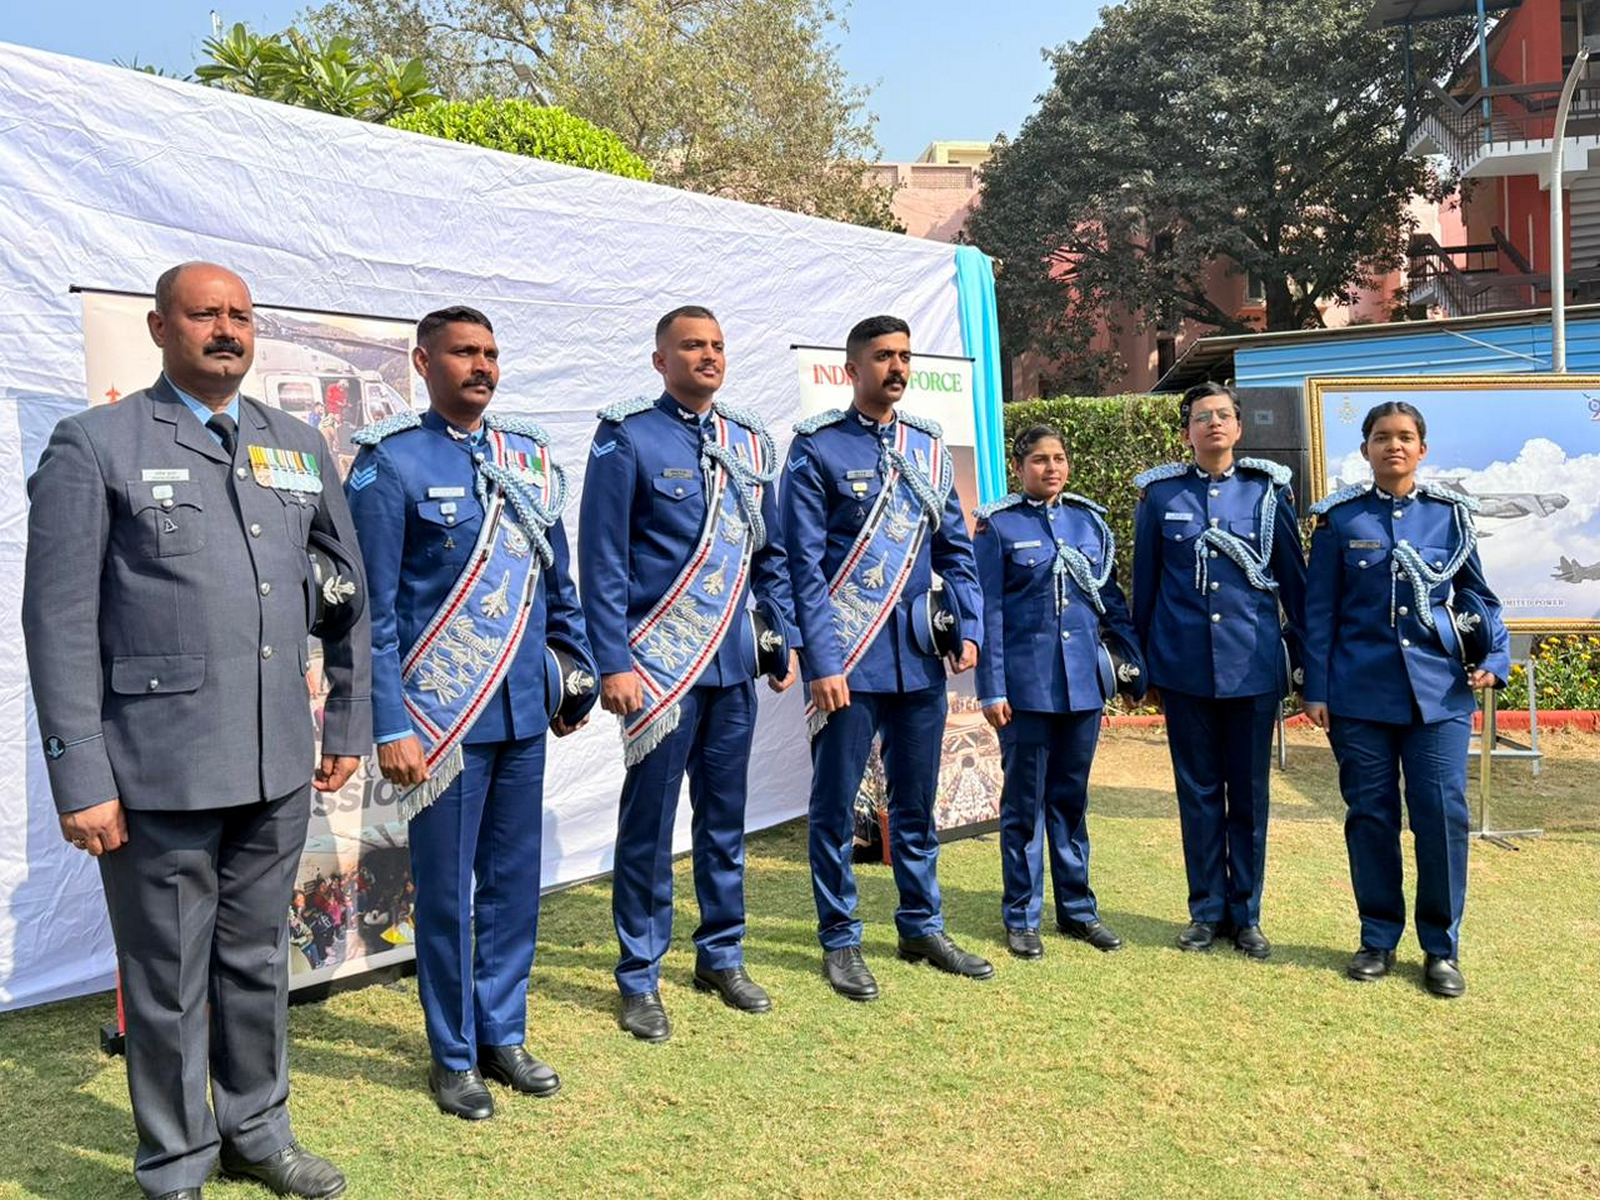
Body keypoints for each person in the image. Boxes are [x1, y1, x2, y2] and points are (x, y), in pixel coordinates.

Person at [22, 262, 369, 1200]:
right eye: (205, 314)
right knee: (168, 977)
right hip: (157, 769)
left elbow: (345, 597)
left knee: (259, 962)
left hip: (275, 762)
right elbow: (55, 623)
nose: (227, 330)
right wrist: (80, 774)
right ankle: (176, 1159)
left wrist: (348, 714)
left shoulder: (296, 445)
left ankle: (257, 1129)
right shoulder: (95, 444)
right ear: (159, 327)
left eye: (241, 316)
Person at [345, 305, 592, 1119]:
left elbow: (558, 585)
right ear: (423, 363)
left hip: (522, 715)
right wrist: (390, 723)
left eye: (490, 352)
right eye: (463, 353)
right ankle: (453, 1055)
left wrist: (574, 672)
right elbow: (373, 612)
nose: (481, 366)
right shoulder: (391, 465)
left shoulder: (526, 458)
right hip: (443, 724)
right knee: (447, 895)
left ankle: (503, 1033)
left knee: (514, 887)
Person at [579, 305, 801, 1042]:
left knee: (723, 821)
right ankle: (640, 975)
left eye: (716, 346)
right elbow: (603, 559)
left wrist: (777, 637)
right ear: (660, 360)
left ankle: (721, 953)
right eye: (691, 347)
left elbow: (767, 556)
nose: (708, 357)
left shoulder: (746, 440)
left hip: (732, 666)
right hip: (657, 669)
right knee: (648, 826)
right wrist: (611, 660)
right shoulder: (626, 437)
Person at [780, 314, 992, 1001]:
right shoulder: (817, 449)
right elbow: (802, 567)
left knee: (915, 804)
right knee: (836, 807)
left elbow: (957, 552)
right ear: (852, 369)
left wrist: (969, 628)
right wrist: (823, 660)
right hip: (849, 661)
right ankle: (840, 939)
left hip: (917, 658)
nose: (896, 368)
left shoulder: (928, 450)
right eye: (881, 357)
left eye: (903, 356)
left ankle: (920, 924)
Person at [1303, 400, 1508, 998]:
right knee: (1370, 816)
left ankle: (1440, 948)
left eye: (1405, 437)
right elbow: (1321, 613)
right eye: (1381, 437)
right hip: (1359, 695)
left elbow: (1480, 600)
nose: (1394, 446)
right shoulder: (1340, 521)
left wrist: (1493, 659)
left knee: (1442, 817)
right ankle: (1377, 938)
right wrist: (1316, 687)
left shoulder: (1450, 518)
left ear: (1423, 449)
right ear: (1365, 449)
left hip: (1439, 696)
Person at [1132, 381, 1307, 960]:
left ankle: (1247, 914)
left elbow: (1295, 586)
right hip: (1183, 670)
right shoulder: (1160, 498)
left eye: (1223, 416)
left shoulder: (1267, 493)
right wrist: (1142, 668)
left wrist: (1307, 666)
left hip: (1252, 668)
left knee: (1250, 796)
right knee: (1199, 794)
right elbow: (1147, 590)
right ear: (1187, 431)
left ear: (1239, 428)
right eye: (1201, 417)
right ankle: (1205, 911)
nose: (1212, 425)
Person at [974, 424, 1145, 960]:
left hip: (1082, 689)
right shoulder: (999, 528)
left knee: (1071, 802)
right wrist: (991, 688)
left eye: (1060, 459)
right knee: (1024, 806)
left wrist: (1130, 664)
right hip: (1025, 692)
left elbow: (1110, 602)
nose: (1052, 468)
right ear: (1019, 467)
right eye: (1041, 460)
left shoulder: (1089, 522)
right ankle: (1022, 915)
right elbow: (990, 613)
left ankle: (1078, 910)